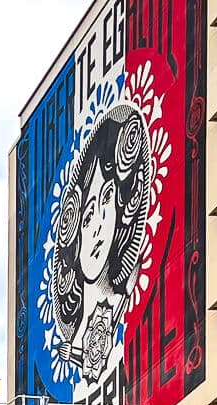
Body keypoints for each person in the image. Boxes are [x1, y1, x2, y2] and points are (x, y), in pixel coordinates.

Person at [53, 101, 152, 386]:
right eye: (86, 216)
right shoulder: (75, 327)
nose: (97, 226)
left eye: (107, 199)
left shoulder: (128, 287)